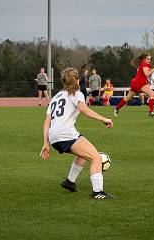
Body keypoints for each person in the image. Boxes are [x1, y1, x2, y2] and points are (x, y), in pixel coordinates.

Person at [40, 67, 113, 199]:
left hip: (53, 137)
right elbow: (84, 109)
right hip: (66, 134)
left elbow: (47, 122)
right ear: (77, 80)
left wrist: (46, 143)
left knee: (83, 154)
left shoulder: (55, 97)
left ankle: (70, 182)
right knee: (95, 157)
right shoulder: (76, 93)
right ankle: (98, 192)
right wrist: (103, 119)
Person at [114, 53, 154, 117]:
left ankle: (116, 108)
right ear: (144, 59)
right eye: (148, 59)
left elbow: (145, 74)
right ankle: (151, 112)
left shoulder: (145, 65)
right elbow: (146, 74)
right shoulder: (144, 64)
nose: (149, 60)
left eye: (150, 59)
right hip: (139, 83)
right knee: (151, 94)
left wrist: (148, 78)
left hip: (139, 83)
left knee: (128, 98)